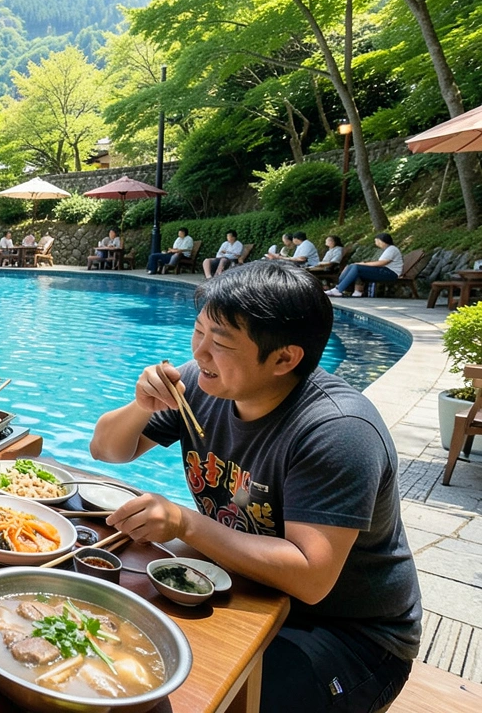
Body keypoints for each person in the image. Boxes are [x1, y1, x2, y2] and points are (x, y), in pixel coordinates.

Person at [89, 261, 419, 713]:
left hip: (346, 634)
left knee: (196, 700)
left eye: (220, 342)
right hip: (244, 584)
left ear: (284, 358)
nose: (200, 353)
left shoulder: (337, 430)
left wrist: (186, 522)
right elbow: (107, 450)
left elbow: (310, 577)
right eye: (199, 331)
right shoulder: (203, 384)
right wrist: (140, 406)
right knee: (110, 652)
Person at [326, 233, 404, 298]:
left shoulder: (391, 249)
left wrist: (363, 264)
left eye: (376, 241)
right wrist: (361, 264)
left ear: (381, 241)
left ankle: (338, 289)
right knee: (352, 266)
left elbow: (381, 263)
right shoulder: (389, 249)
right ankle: (354, 291)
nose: (375, 243)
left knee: (356, 267)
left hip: (390, 274)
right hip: (385, 271)